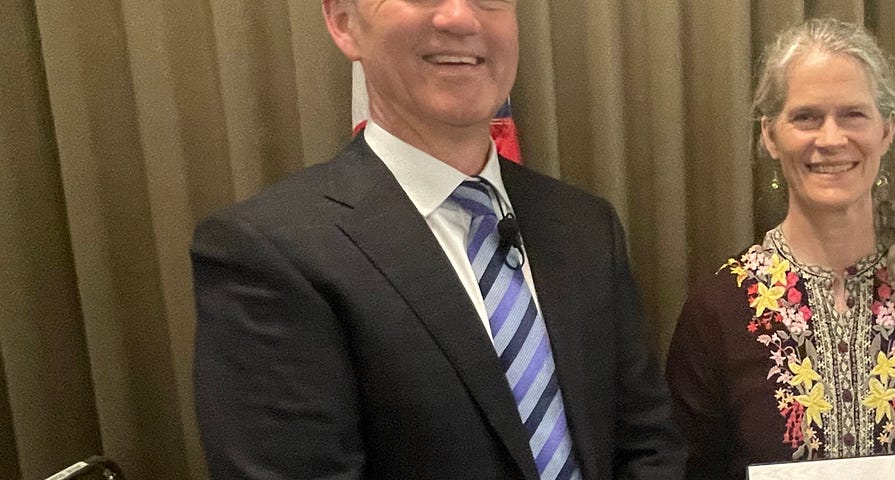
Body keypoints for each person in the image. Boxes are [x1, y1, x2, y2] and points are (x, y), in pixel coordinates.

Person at [190, 0, 684, 478]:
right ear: (345, 23)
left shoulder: (584, 225)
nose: (459, 16)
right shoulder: (268, 253)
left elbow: (647, 443)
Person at [665, 18, 895, 479]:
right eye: (806, 117)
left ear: (886, 131)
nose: (830, 139)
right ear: (769, 134)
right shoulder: (718, 309)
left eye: (853, 115)